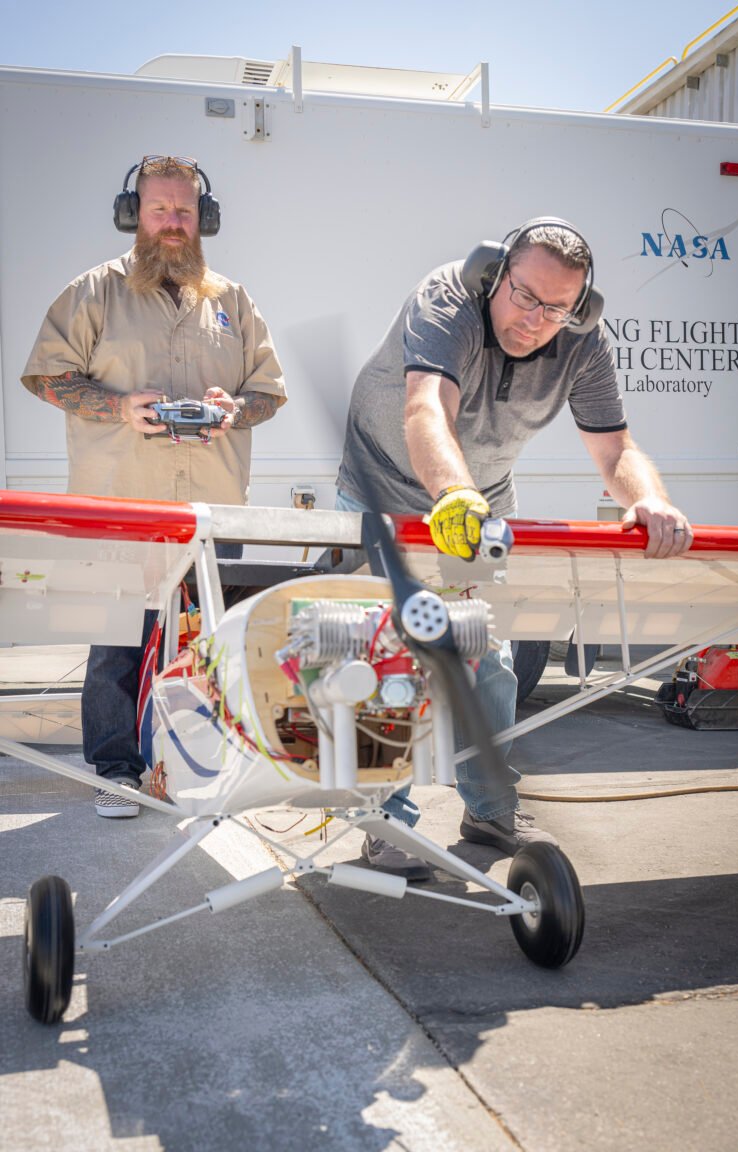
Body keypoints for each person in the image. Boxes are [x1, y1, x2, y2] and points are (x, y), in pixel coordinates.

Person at [337, 217, 693, 878]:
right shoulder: (448, 298)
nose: (536, 319)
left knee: (489, 660)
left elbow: (614, 446)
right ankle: (384, 822)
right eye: (525, 296)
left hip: (481, 500)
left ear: (579, 306)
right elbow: (427, 408)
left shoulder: (582, 341)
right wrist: (452, 492)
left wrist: (649, 499)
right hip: (382, 490)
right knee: (386, 655)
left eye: (557, 308)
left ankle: (491, 808)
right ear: (493, 273)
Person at [21, 155, 286, 818]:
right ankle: (116, 772)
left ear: (204, 218)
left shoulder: (233, 301)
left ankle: (199, 765)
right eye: (160, 209)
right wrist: (119, 407)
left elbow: (268, 393)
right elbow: (48, 377)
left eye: (185, 211)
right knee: (117, 644)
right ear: (133, 214)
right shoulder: (93, 293)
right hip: (121, 508)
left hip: (210, 511)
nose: (173, 222)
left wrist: (235, 409)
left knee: (208, 645)